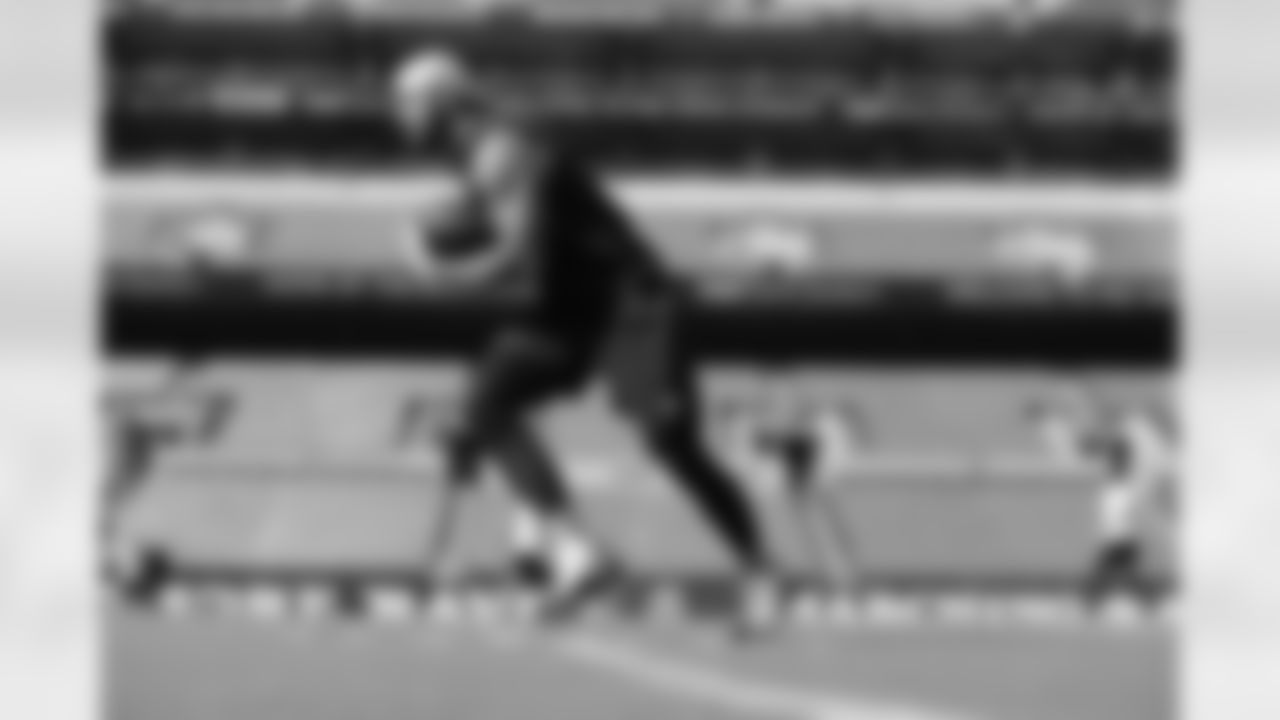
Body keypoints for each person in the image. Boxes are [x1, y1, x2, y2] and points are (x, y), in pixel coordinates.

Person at [390, 51, 780, 625]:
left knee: (672, 444)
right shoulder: (483, 157)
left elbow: (512, 256)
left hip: (629, 303)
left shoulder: (502, 150)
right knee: (488, 398)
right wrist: (446, 222)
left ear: (439, 101)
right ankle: (575, 554)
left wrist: (436, 271)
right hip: (573, 308)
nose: (398, 115)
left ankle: (760, 570)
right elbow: (482, 213)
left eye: (405, 102)